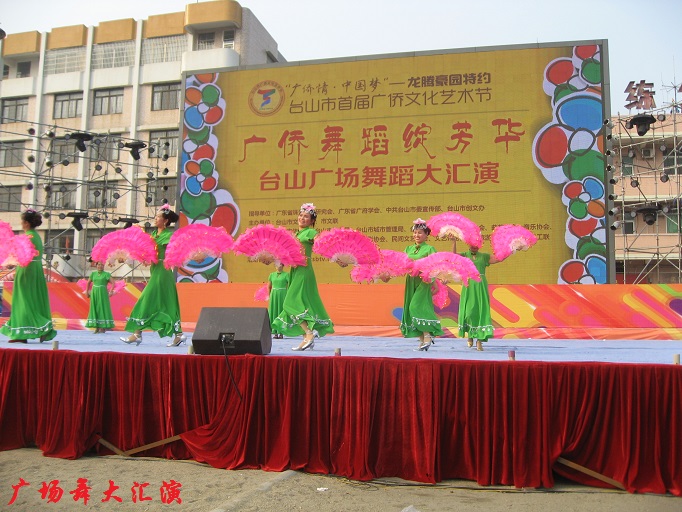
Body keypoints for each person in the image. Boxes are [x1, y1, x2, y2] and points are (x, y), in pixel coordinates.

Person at [120, 205, 185, 347]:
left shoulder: (168, 236)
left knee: (145, 300)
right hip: (156, 271)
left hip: (162, 272)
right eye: (156, 216)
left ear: (166, 221)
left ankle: (137, 333)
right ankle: (179, 334)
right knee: (168, 303)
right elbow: (150, 251)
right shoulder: (154, 234)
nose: (155, 219)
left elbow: (176, 249)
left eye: (158, 217)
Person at [272, 203, 334, 351]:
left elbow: (321, 244)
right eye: (301, 215)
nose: (302, 218)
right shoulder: (295, 235)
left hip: (304, 271)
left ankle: (309, 333)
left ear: (312, 221)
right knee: (302, 303)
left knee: (290, 303)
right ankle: (306, 338)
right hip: (294, 271)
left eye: (306, 216)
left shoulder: (310, 232)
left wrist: (336, 257)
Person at [0, 209, 57, 343]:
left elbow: (21, 256)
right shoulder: (36, 236)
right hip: (35, 270)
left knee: (23, 301)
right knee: (33, 301)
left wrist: (9, 263)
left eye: (22, 221)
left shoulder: (28, 237)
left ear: (26, 223)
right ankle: (35, 330)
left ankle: (30, 331)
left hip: (26, 271)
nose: (21, 223)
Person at [400, 219, 443, 351]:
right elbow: (401, 264)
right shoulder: (408, 248)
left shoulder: (429, 249)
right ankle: (422, 340)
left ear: (426, 235)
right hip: (411, 280)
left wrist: (436, 281)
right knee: (410, 309)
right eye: (415, 232)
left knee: (416, 307)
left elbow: (435, 266)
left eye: (419, 233)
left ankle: (428, 335)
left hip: (424, 281)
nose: (416, 235)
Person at [453, 240, 499, 351]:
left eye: (477, 244)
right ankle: (470, 334)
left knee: (481, 312)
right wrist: (453, 242)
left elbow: (498, 258)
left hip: (480, 286)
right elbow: (453, 257)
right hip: (469, 285)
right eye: (472, 243)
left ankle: (479, 340)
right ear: (469, 243)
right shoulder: (464, 255)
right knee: (469, 313)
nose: (474, 246)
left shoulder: (484, 256)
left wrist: (511, 248)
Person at [85, 261, 115, 334]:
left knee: (102, 308)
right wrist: (87, 291)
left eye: (102, 265)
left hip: (103, 293)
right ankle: (97, 327)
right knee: (95, 308)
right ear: (96, 265)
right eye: (98, 264)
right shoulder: (93, 274)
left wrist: (111, 291)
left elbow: (113, 283)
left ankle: (103, 327)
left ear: (104, 266)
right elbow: (88, 283)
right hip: (94, 292)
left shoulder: (106, 274)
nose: (100, 266)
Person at [267, 262, 289, 339]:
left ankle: (281, 332)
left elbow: (289, 285)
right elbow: (269, 286)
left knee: (281, 311)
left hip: (282, 294)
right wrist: (270, 295)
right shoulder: (271, 275)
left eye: (279, 264)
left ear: (283, 265)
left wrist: (288, 296)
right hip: (274, 295)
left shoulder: (286, 275)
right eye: (276, 265)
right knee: (273, 311)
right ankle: (275, 331)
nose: (278, 266)